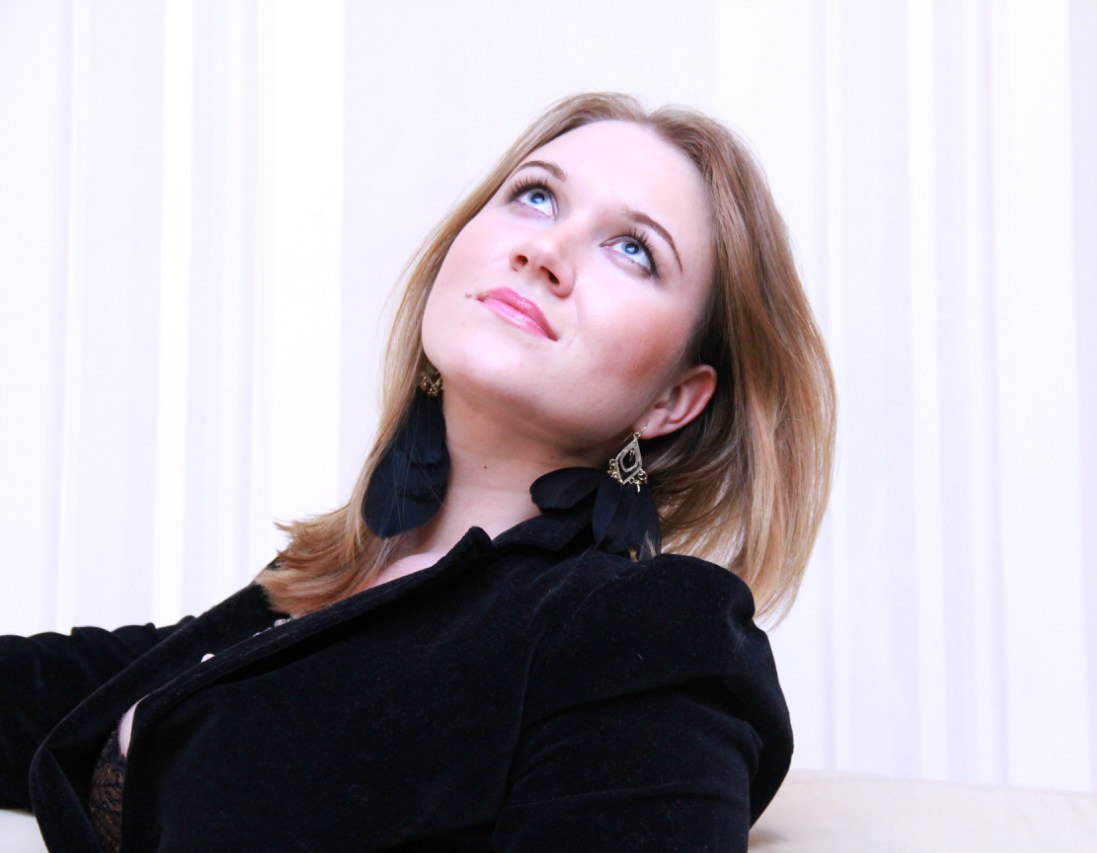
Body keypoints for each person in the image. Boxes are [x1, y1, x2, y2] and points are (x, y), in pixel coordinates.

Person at [1, 92, 835, 852]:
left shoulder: (648, 632)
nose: (546, 250)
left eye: (632, 249)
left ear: (673, 401)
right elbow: (39, 699)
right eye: (535, 196)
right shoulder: (321, 583)